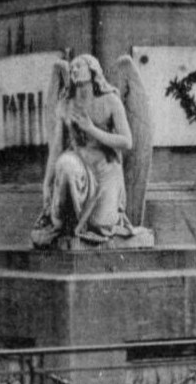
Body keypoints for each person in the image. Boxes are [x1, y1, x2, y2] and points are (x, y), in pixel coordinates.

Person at [32, 54, 144, 248]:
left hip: (105, 168)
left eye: (79, 66)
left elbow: (127, 142)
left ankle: (89, 221)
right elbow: (57, 147)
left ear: (92, 71)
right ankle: (66, 223)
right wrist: (47, 183)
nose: (73, 70)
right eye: (72, 68)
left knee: (100, 224)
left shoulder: (110, 101)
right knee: (65, 164)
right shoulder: (65, 103)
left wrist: (91, 129)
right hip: (78, 162)